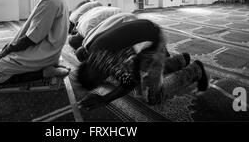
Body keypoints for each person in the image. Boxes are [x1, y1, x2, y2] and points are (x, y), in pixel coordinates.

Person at [76, 19, 208, 109]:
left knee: (151, 96)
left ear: (96, 77)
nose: (104, 80)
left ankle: (196, 70)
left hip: (153, 43)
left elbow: (129, 84)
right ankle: (180, 60)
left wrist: (104, 100)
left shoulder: (108, 64)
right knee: (139, 72)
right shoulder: (93, 50)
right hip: (145, 29)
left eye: (99, 81)